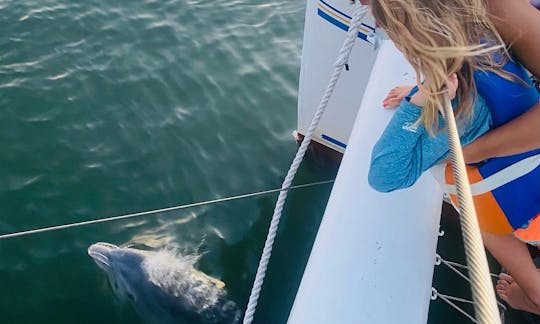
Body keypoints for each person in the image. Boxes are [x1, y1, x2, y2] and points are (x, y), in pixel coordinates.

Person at [365, 0, 540, 315]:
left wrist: (417, 103)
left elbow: (384, 176)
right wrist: (424, 87)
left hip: (521, 212)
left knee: (478, 208)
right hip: (533, 174)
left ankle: (535, 293)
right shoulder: (487, 47)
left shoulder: (453, 117)